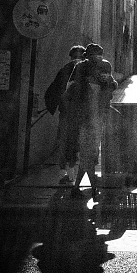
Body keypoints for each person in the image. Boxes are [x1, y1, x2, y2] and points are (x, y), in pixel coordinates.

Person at [65, 43, 117, 200]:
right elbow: (72, 90)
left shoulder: (95, 68)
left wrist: (108, 82)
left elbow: (111, 86)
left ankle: (80, 189)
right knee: (89, 154)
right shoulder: (83, 69)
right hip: (87, 118)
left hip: (91, 117)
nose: (96, 61)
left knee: (88, 155)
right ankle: (92, 189)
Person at [44, 45, 86, 184]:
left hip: (67, 113)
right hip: (81, 114)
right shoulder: (87, 70)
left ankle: (70, 174)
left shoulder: (65, 69)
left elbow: (54, 90)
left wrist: (53, 105)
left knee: (66, 142)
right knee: (78, 144)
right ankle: (76, 175)